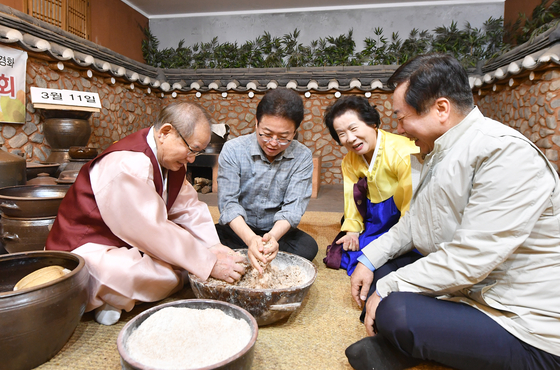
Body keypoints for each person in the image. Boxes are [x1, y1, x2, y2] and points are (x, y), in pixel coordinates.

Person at [346, 53, 560, 370]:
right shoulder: (442, 149)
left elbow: (470, 259)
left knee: (396, 309)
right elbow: (411, 227)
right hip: (473, 291)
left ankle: (410, 345)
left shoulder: (505, 152)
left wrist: (387, 290)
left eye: (402, 117)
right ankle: (418, 345)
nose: (400, 128)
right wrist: (368, 259)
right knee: (385, 269)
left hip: (521, 321)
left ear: (441, 108)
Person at [46, 102, 246, 326]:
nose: (192, 159)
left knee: (178, 266)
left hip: (128, 242)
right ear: (166, 133)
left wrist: (213, 247)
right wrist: (208, 263)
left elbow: (190, 208)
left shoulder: (169, 161)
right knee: (149, 273)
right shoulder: (128, 163)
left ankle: (118, 298)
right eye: (192, 149)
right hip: (85, 248)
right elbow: (152, 230)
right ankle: (110, 297)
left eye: (197, 153)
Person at [215, 88, 318, 273]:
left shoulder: (302, 156)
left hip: (275, 230)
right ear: (256, 123)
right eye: (267, 134)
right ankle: (257, 253)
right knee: (206, 237)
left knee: (308, 247)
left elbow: (293, 209)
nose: (273, 143)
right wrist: (250, 239)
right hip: (240, 228)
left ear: (294, 132)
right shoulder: (233, 149)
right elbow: (228, 204)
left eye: (283, 138)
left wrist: (271, 239)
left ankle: (252, 254)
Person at [323, 96, 419, 275]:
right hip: (373, 215)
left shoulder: (404, 152)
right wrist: (352, 230)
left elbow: (412, 209)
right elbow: (350, 197)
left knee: (386, 258)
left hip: (399, 217)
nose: (350, 138)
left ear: (373, 124)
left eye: (353, 128)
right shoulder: (349, 161)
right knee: (343, 254)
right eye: (342, 134)